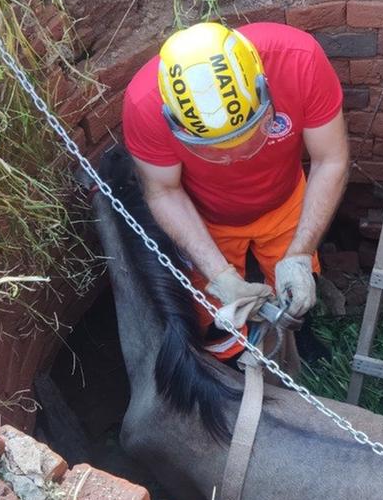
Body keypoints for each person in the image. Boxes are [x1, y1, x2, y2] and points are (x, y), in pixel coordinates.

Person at [122, 20, 349, 361]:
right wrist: (219, 276)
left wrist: (301, 252)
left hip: (285, 201)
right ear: (174, 118)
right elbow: (163, 192)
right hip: (204, 217)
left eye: (246, 137)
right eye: (214, 148)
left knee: (297, 286)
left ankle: (299, 339)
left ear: (262, 88)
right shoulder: (144, 104)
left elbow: (330, 159)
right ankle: (227, 358)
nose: (231, 158)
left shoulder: (298, 59)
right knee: (210, 306)